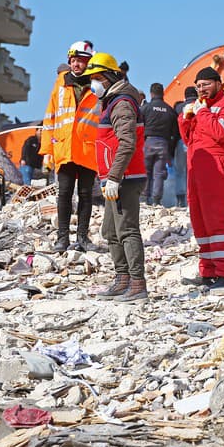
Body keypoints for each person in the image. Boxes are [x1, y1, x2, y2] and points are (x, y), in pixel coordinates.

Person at [85, 53, 148, 302]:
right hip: (115, 176)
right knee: (110, 230)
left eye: (98, 78)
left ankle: (137, 284)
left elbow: (127, 143)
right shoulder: (111, 101)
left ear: (111, 77)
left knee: (127, 230)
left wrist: (114, 176)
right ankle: (122, 279)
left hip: (125, 177)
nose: (94, 83)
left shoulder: (121, 103)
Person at [178, 67, 224, 292]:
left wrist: (202, 112)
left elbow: (220, 133)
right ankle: (208, 272)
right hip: (196, 171)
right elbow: (188, 139)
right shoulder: (200, 108)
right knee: (201, 222)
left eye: (205, 84)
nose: (201, 89)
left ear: (218, 83)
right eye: (198, 86)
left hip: (217, 170)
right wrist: (186, 118)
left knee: (219, 222)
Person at [40, 40, 101, 253]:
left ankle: (82, 237)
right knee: (64, 193)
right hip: (64, 148)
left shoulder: (96, 85)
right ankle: (62, 238)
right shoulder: (60, 84)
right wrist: (46, 151)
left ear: (88, 63)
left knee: (85, 194)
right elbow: (50, 117)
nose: (77, 64)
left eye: (81, 61)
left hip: (87, 148)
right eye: (74, 60)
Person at [141, 82, 178, 205]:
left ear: (151, 93)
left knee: (146, 171)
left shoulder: (146, 108)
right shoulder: (169, 110)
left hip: (148, 142)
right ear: (163, 93)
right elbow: (175, 132)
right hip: (163, 143)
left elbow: (139, 125)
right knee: (159, 173)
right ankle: (156, 200)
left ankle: (144, 198)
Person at [172, 86, 198, 207]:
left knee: (180, 171)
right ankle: (193, 197)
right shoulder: (201, 105)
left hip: (181, 141)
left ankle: (180, 199)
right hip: (197, 142)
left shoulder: (178, 107)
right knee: (194, 171)